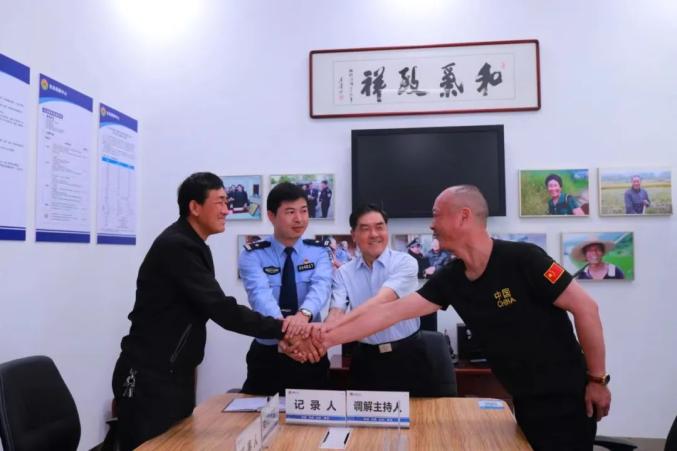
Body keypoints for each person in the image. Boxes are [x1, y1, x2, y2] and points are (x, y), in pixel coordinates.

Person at [306, 185, 611, 450]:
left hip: (566, 396)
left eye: (436, 215)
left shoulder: (525, 259)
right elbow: (389, 313)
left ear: (463, 216)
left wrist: (597, 379)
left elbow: (587, 308)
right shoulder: (452, 277)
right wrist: (325, 339)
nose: (431, 224)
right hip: (523, 398)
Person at [111, 172, 315, 451]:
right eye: (219, 202)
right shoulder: (177, 246)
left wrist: (286, 330)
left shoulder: (193, 244)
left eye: (227, 202)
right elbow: (221, 309)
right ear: (195, 207)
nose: (226, 210)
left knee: (178, 444)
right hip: (149, 375)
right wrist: (284, 329)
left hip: (174, 373)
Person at [326, 205, 448, 395]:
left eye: (379, 227)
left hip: (408, 355)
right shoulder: (344, 273)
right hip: (366, 359)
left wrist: (326, 335)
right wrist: (324, 332)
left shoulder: (405, 262)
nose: (374, 234)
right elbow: (336, 310)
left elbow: (382, 301)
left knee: (417, 413)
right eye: (365, 229)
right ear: (354, 235)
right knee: (364, 413)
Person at [238, 182, 332, 395]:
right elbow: (260, 295)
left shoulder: (320, 252)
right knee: (259, 412)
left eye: (304, 211)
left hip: (310, 350)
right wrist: (285, 333)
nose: (299, 219)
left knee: (313, 411)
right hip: (268, 352)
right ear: (271, 216)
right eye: (290, 212)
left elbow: (321, 287)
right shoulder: (253, 255)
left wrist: (303, 315)